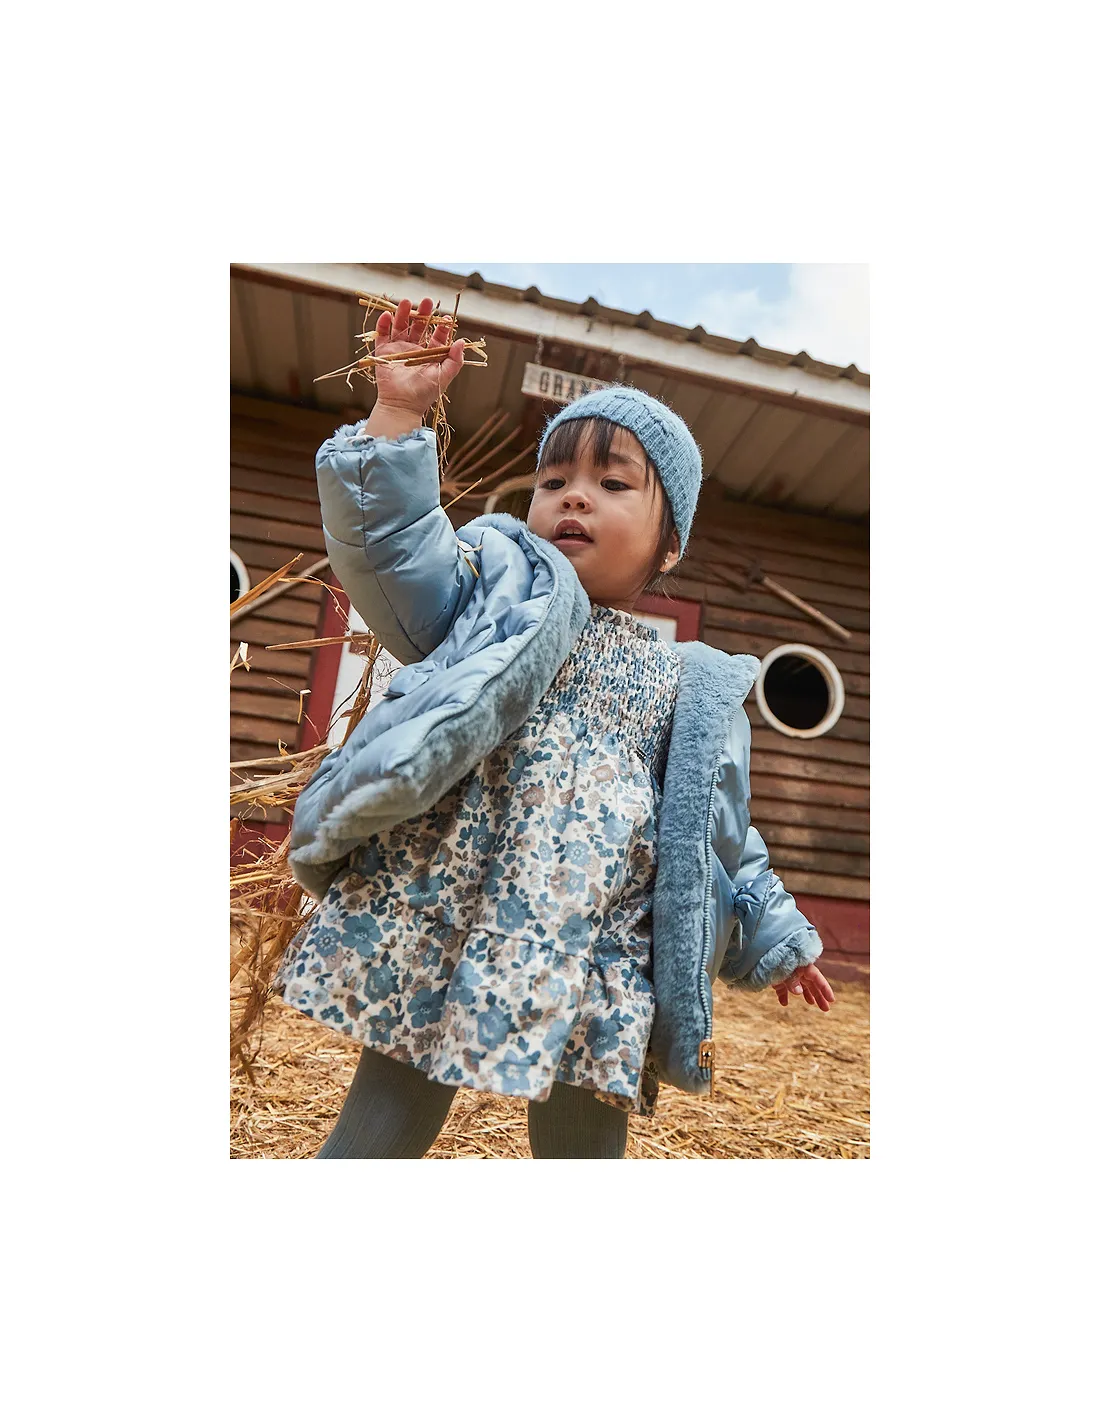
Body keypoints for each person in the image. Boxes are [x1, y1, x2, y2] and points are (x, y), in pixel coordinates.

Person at [277, 296, 834, 1159]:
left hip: (592, 945)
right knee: (393, 1094)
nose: (575, 495)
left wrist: (779, 933)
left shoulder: (692, 686)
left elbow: (720, 836)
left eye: (613, 484)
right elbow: (394, 549)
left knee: (584, 1121)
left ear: (670, 543)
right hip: (451, 903)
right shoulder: (493, 597)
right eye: (554, 481)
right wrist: (396, 414)